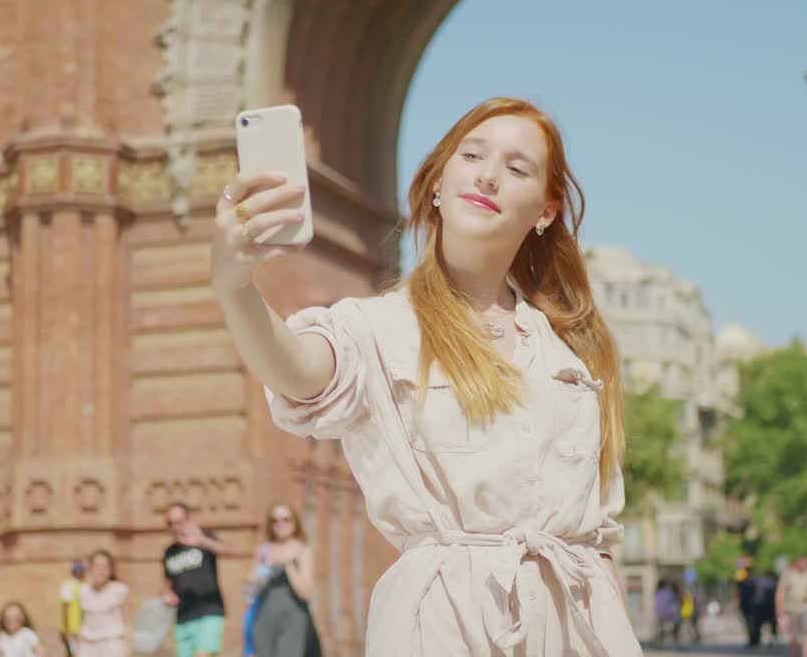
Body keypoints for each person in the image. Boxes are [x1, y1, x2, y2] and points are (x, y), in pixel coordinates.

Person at [213, 97, 642, 655]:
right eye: (472, 155)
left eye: (517, 169)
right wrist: (235, 286)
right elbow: (297, 370)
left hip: (578, 627)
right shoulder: (378, 327)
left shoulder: (576, 351)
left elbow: (599, 542)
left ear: (546, 209)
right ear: (439, 181)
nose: (488, 175)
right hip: (445, 625)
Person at [163, 501, 249, 657]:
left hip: (208, 612)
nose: (176, 527)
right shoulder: (170, 551)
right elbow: (167, 582)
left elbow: (232, 551)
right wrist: (168, 594)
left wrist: (203, 542)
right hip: (183, 617)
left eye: (179, 521)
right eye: (171, 523)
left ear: (189, 519)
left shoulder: (205, 538)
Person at [243, 504, 322, 657]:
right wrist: (266, 565)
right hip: (263, 618)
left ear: (294, 522)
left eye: (286, 519)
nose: (281, 524)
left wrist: (288, 563)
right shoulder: (263, 550)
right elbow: (248, 591)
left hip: (293, 619)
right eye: (275, 520)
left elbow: (305, 593)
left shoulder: (303, 551)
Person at [78, 550, 131, 657]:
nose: (100, 571)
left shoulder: (119, 590)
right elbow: (82, 622)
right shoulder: (83, 591)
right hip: (88, 647)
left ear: (111, 570)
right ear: (90, 568)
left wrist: (129, 651)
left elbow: (128, 624)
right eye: (97, 567)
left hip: (112, 646)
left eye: (104, 567)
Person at [776, 557, 807, 657]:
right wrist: (779, 610)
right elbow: (780, 592)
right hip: (791, 609)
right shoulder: (788, 574)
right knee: (793, 636)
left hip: (806, 608)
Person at [60, 560, 85, 656]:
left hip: (79, 628)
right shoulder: (69, 586)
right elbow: (65, 608)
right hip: (72, 629)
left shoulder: (81, 586)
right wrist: (65, 629)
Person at [653, 580, 680, 646]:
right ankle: (674, 636)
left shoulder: (657, 593)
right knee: (677, 622)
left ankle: (660, 638)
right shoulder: (669, 593)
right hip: (668, 613)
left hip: (659, 613)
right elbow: (674, 601)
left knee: (661, 626)